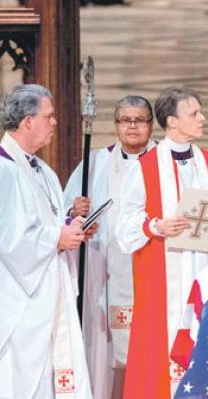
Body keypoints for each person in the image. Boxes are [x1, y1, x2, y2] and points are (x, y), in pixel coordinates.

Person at [0, 84, 94, 399]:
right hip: (14, 308)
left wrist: (72, 226)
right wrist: (57, 237)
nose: (54, 123)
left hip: (46, 299)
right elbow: (10, 239)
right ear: (27, 121)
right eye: (48, 116)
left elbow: (42, 223)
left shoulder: (42, 170)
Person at [115, 87, 208, 399]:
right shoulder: (143, 168)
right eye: (194, 114)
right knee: (161, 349)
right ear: (172, 122)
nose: (202, 118)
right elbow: (124, 226)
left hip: (206, 273)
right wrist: (155, 225)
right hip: (163, 280)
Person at [63, 96, 157, 399]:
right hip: (105, 274)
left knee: (152, 344)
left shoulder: (164, 163)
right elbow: (65, 213)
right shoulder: (95, 162)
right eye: (125, 120)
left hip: (152, 270)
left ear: (151, 124)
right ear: (116, 124)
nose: (132, 126)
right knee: (103, 349)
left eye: (139, 120)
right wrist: (75, 210)